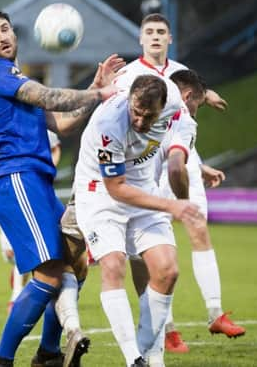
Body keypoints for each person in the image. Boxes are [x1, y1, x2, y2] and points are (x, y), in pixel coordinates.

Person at [0, 9, 123, 367]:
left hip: (37, 182)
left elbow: (63, 123)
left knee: (77, 260)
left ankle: (50, 353)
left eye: (6, 29)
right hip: (17, 179)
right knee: (50, 272)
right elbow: (49, 97)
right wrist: (100, 93)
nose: (2, 36)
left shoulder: (15, 80)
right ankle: (1, 360)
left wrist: (91, 89)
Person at [74, 74, 202, 367]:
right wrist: (173, 204)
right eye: (136, 112)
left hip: (144, 189)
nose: (141, 122)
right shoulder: (111, 125)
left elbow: (191, 105)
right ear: (129, 99)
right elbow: (116, 188)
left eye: (149, 115)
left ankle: (150, 355)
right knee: (113, 264)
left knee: (167, 271)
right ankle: (134, 359)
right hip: (100, 194)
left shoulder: (173, 101)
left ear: (164, 106)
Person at [130, 69, 245, 357]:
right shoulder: (137, 81)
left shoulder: (179, 77)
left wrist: (200, 165)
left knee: (198, 228)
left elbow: (182, 139)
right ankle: (166, 329)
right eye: (150, 32)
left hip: (183, 168)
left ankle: (216, 312)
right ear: (187, 96)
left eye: (161, 32)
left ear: (168, 38)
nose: (156, 38)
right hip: (153, 177)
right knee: (151, 254)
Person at [0, 131, 62, 313]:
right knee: (13, 254)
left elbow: (56, 148)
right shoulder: (1, 123)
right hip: (5, 193)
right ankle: (28, 287)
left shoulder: (39, 124)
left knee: (32, 250)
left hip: (34, 191)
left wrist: (48, 167)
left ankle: (17, 299)